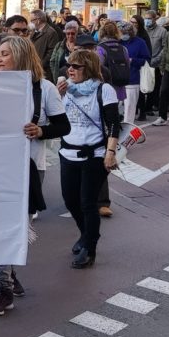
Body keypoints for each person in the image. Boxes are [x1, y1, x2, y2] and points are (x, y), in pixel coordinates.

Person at [0, 36, 69, 315]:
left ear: (20, 56)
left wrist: (40, 131)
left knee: (15, 226)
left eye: (5, 54)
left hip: (28, 168)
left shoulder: (43, 89)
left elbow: (63, 126)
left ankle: (6, 275)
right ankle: (4, 285)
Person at [56, 49, 121, 269]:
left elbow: (113, 124)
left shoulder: (104, 90)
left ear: (89, 68)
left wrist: (110, 153)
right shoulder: (66, 90)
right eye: (69, 66)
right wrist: (58, 95)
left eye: (76, 66)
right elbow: (52, 117)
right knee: (70, 200)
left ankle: (90, 247)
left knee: (87, 203)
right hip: (67, 153)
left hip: (94, 155)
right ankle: (86, 234)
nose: (70, 70)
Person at [117, 21, 151, 125]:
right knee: (115, 107)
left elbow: (146, 59)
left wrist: (132, 60)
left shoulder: (139, 42)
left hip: (132, 79)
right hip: (116, 80)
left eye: (125, 33)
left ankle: (128, 129)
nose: (123, 35)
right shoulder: (116, 42)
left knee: (129, 109)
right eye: (121, 33)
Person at [141, 10, 166, 121]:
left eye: (149, 18)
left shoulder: (162, 31)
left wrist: (157, 59)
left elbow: (165, 47)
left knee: (154, 86)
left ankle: (149, 106)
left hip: (155, 62)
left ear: (155, 19)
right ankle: (141, 107)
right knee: (142, 84)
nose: (147, 21)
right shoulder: (141, 31)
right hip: (143, 62)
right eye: (146, 18)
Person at [29, 10, 63, 78]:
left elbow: (51, 53)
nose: (31, 22)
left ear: (38, 20)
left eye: (32, 20)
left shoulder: (51, 32)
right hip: (34, 69)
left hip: (44, 72)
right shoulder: (34, 32)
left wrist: (39, 65)